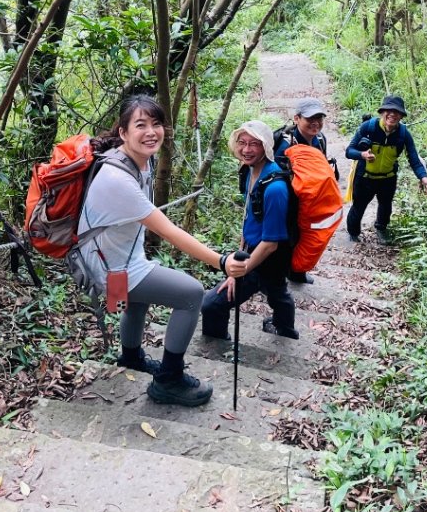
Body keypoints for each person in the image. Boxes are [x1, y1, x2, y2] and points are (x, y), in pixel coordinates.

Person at [77, 94, 247, 407]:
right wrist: (221, 262)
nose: (151, 131)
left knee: (139, 300)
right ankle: (169, 380)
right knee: (191, 293)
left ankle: (130, 358)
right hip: (109, 266)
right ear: (123, 132)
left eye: (157, 124)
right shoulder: (117, 178)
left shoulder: (136, 159)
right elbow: (168, 231)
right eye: (140, 125)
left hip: (118, 257)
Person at [201, 120, 299, 341]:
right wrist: (239, 251)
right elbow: (250, 216)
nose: (246, 150)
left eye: (254, 144)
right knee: (277, 292)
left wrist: (239, 272)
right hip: (253, 250)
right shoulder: (249, 171)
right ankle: (286, 331)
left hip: (267, 257)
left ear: (266, 147)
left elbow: (270, 243)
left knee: (212, 305)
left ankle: (215, 349)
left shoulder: (275, 188)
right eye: (242, 143)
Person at [345, 95, 427, 244]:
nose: (392, 114)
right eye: (389, 110)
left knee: (385, 206)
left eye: (397, 112)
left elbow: (414, 158)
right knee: (358, 207)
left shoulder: (403, 134)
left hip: (388, 178)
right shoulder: (368, 127)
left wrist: (426, 182)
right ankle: (353, 234)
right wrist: (362, 154)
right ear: (382, 112)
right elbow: (349, 151)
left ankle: (381, 230)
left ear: (401, 116)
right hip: (364, 177)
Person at [274, 96, 338, 284]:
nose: (315, 123)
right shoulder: (285, 144)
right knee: (287, 238)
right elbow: (275, 174)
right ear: (297, 119)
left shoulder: (320, 139)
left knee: (306, 236)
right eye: (310, 119)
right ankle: (279, 276)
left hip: (311, 199)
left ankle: (297, 272)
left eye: (319, 119)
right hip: (289, 198)